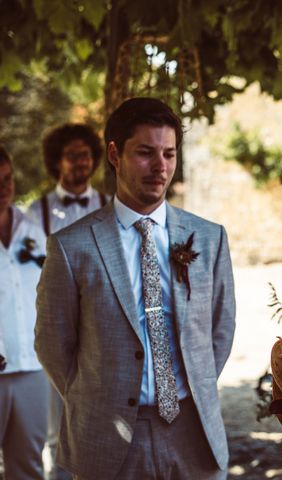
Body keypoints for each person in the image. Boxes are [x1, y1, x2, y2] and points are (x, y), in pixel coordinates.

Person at [35, 98, 236, 480]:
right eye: (145, 153)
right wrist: (99, 396)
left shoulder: (209, 238)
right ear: (114, 153)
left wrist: (193, 387)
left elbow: (220, 329)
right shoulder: (71, 246)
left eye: (169, 154)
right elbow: (52, 343)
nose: (161, 167)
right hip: (110, 441)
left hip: (195, 433)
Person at [26, 123, 109, 480]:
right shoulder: (35, 213)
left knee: (107, 427)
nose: (81, 163)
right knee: (58, 431)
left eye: (86, 155)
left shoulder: (111, 206)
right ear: (57, 161)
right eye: (72, 156)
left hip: (103, 337)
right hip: (56, 336)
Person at [0, 145, 49, 479]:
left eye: (7, 179)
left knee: (28, 466)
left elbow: (48, 294)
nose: (3, 188)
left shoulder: (33, 230)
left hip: (32, 369)